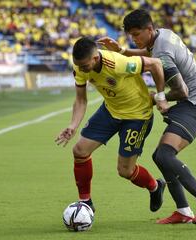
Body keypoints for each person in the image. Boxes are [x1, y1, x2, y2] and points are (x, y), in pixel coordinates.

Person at [98, 9, 196, 224]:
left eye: (136, 34)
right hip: (195, 101)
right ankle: (183, 210)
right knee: (160, 156)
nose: (134, 39)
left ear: (148, 29)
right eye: (130, 36)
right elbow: (149, 52)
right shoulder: (162, 34)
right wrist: (124, 51)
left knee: (164, 155)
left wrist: (158, 97)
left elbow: (181, 91)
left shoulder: (163, 53)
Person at [55, 37, 170, 214]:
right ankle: (85, 202)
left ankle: (155, 186)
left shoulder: (119, 63)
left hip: (137, 116)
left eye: (85, 66)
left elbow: (155, 64)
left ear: (95, 58)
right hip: (110, 111)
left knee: (125, 171)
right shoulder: (80, 66)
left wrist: (161, 96)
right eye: (79, 65)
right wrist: (73, 125)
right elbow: (80, 100)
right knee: (79, 151)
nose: (81, 69)